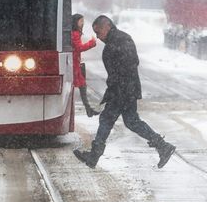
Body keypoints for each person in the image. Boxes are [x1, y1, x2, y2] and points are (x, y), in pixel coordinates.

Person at [73, 15, 176, 169]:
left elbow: (129, 63)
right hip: (125, 89)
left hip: (122, 90)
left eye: (99, 32)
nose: (98, 37)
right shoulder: (118, 40)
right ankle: (163, 146)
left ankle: (94, 156)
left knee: (107, 119)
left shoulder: (119, 40)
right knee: (132, 121)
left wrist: (118, 85)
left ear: (107, 26)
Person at [70, 14, 98, 117]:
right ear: (76, 22)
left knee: (81, 86)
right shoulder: (75, 34)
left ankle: (88, 109)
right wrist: (92, 43)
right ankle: (88, 109)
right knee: (79, 86)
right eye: (81, 21)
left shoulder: (75, 33)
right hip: (74, 64)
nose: (83, 23)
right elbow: (79, 48)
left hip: (75, 63)